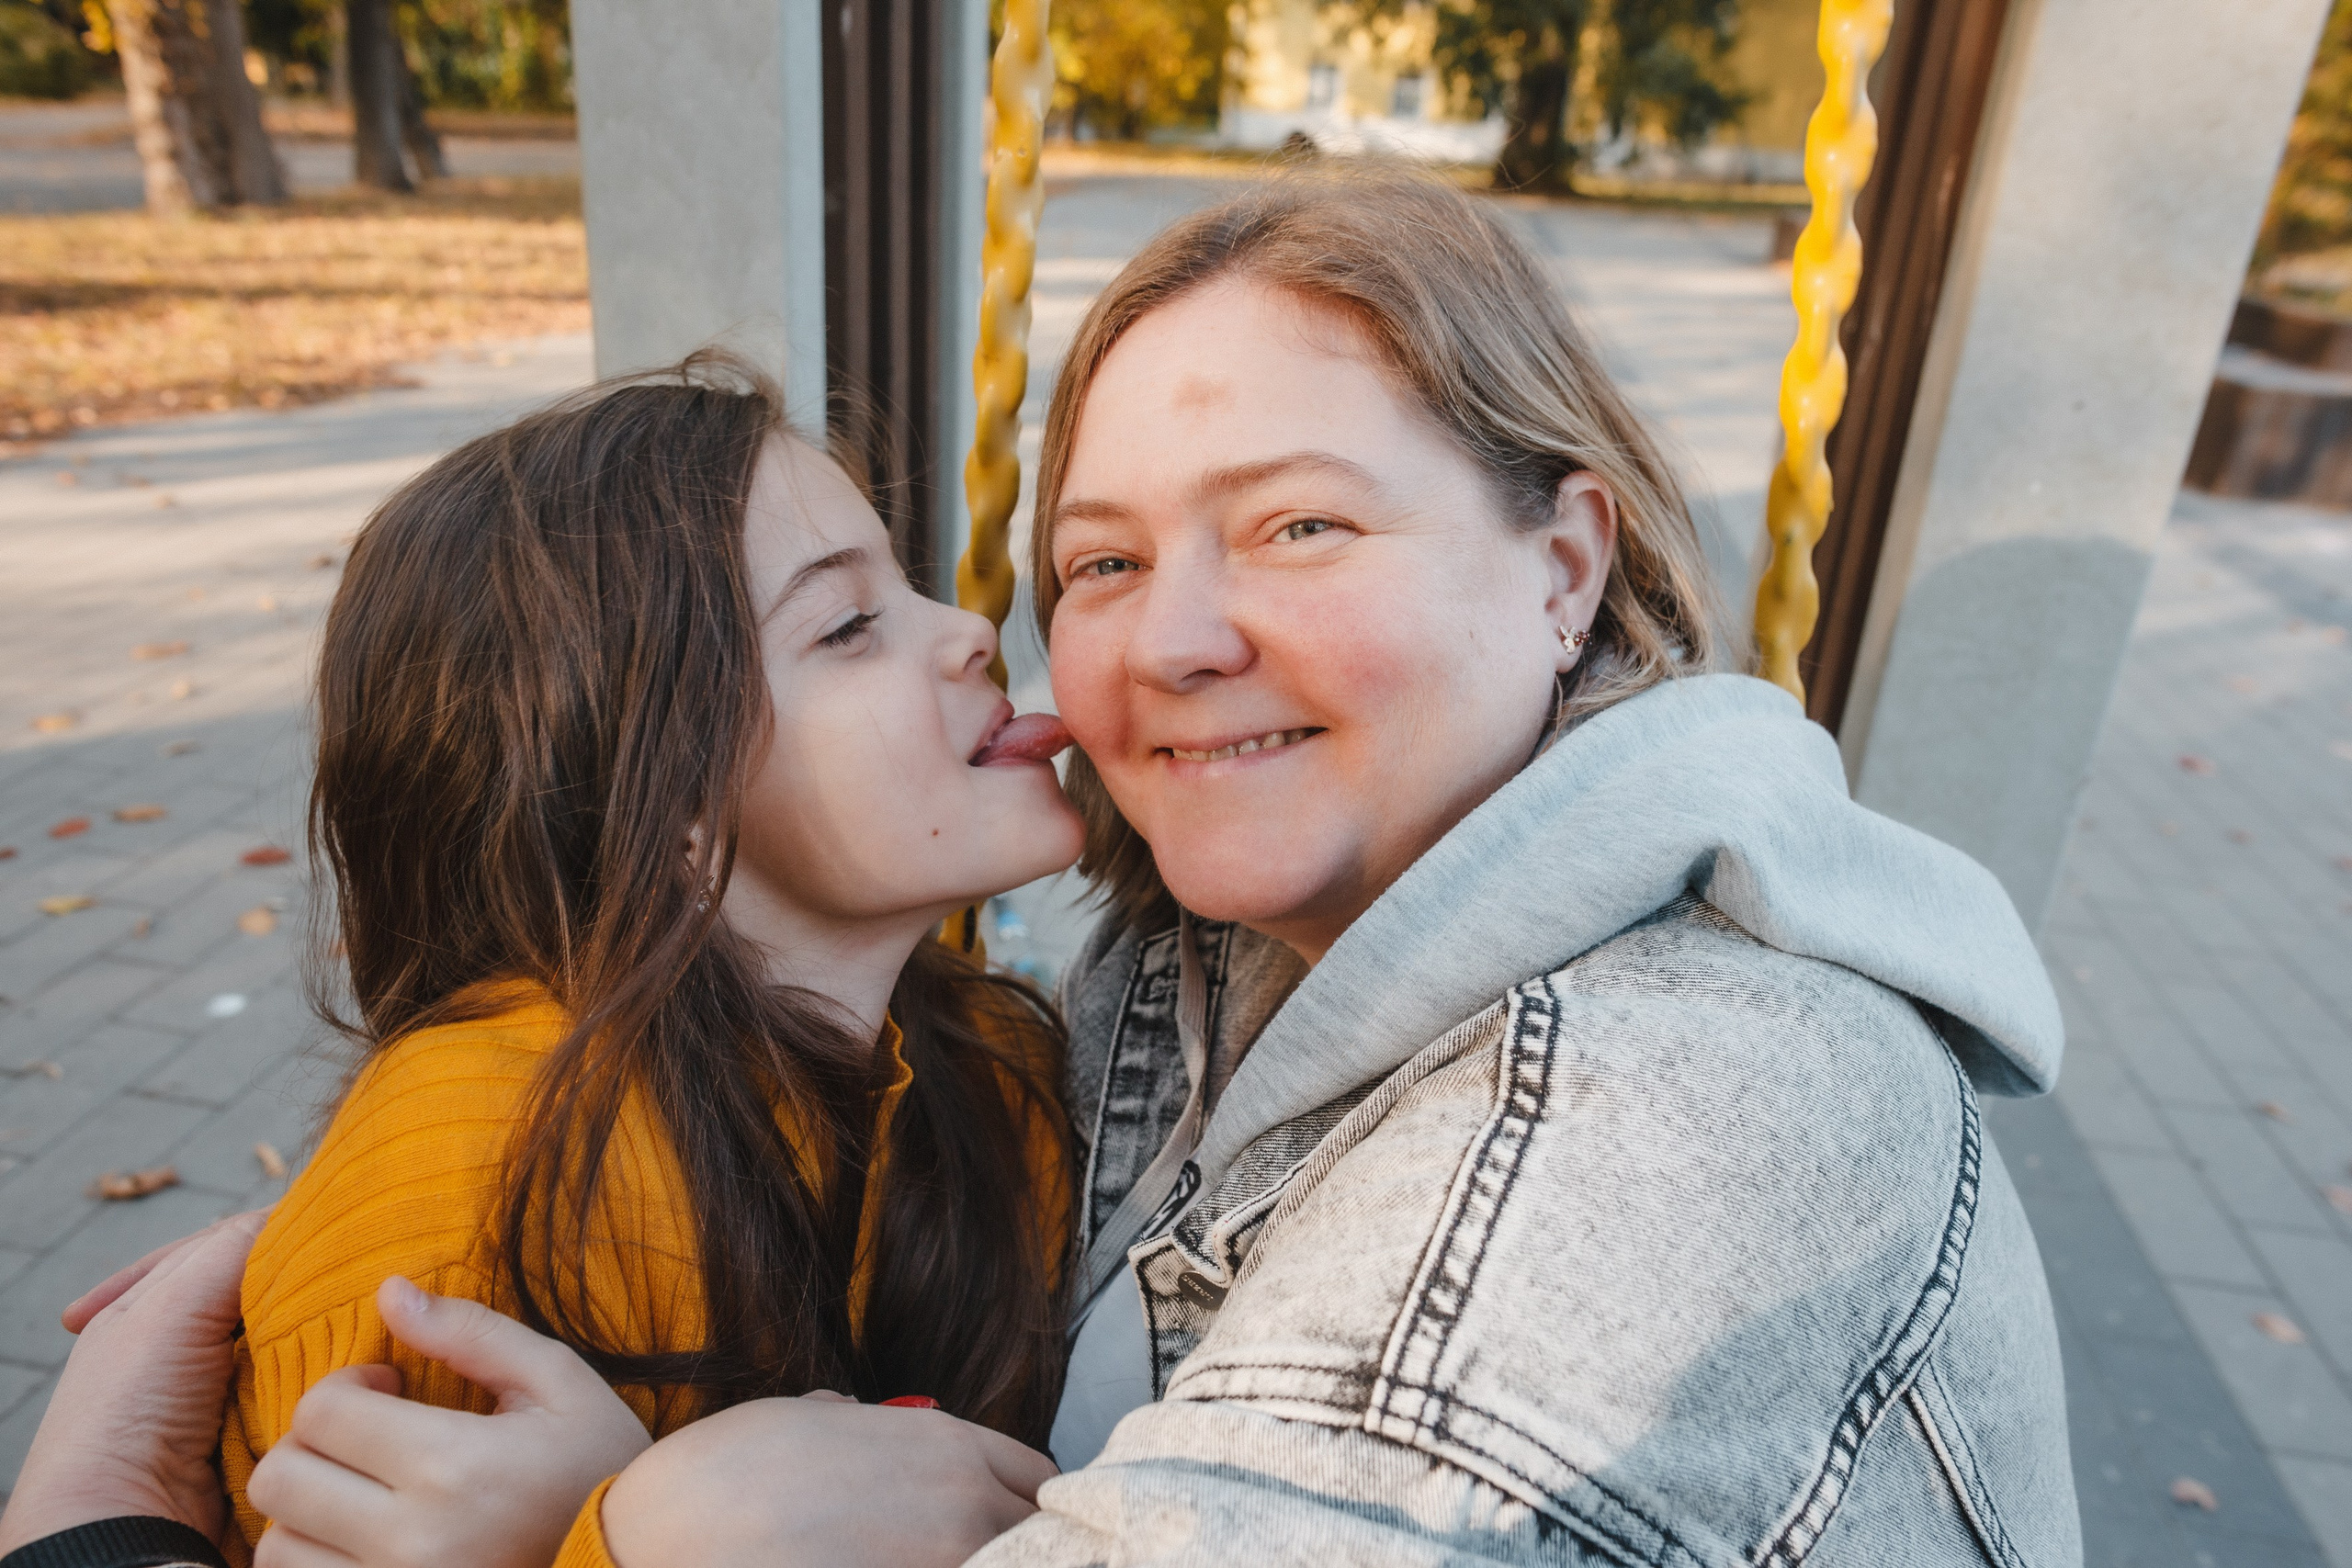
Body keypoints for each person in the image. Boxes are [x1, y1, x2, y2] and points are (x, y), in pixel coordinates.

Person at [28, 166, 2083, 1568]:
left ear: (1564, 564)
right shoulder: (1149, 984)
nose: (1141, 640)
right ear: (649, 784)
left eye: (1297, 525)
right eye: (1096, 561)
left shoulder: (1659, 1126)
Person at [208, 355, 1086, 1562]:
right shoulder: (456, 1220)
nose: (971, 630)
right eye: (848, 625)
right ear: (661, 798)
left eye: (905, 581)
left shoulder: (993, 1071)